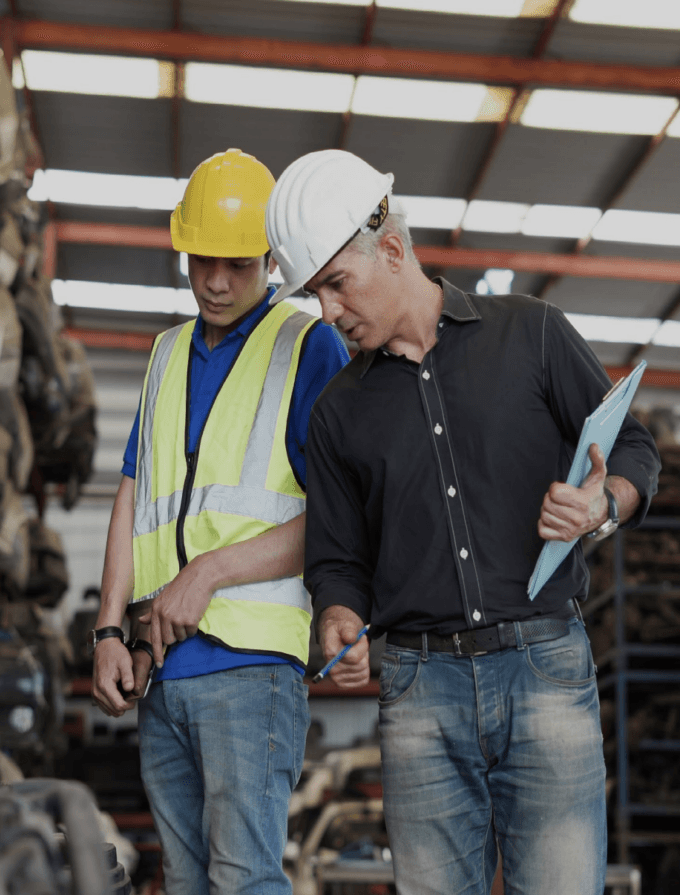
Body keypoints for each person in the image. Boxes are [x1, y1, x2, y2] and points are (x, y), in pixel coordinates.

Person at [264, 149, 661, 895]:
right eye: (314, 294)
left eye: (336, 286)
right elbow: (338, 560)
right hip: (420, 690)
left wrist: (604, 502)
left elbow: (634, 447)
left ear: (391, 247)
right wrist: (337, 619)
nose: (327, 313)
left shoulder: (533, 334)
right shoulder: (338, 413)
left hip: (545, 667)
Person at [89, 147, 349, 895]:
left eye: (237, 263)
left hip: (253, 667)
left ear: (271, 257)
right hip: (162, 669)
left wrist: (208, 572)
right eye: (201, 258)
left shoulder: (308, 345)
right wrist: (111, 628)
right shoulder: (165, 353)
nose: (216, 280)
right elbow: (132, 496)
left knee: (243, 879)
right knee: (186, 881)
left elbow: (339, 513)